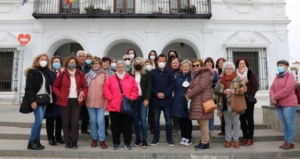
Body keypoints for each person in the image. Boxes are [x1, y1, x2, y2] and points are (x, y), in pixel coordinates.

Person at [52, 56, 88, 149]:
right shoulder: (62, 74)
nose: (71, 63)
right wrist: (59, 94)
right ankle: (67, 141)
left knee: (75, 122)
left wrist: (83, 96)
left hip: (76, 101)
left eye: (73, 62)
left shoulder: (80, 74)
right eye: (70, 62)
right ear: (67, 63)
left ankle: (74, 141)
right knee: (65, 122)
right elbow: (55, 86)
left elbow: (85, 87)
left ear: (76, 64)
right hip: (65, 101)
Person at [103, 60, 139, 150]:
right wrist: (110, 97)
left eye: (121, 67)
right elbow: (106, 89)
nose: (120, 68)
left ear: (125, 68)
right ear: (116, 68)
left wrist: (131, 98)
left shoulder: (131, 79)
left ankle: (127, 142)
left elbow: (135, 90)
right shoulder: (111, 78)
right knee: (115, 126)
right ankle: (116, 142)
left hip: (126, 106)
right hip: (114, 106)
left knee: (127, 125)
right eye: (118, 67)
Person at [214, 61, 247, 149]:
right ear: (224, 70)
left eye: (230, 68)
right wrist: (222, 91)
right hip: (224, 104)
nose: (228, 70)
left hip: (234, 104)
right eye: (226, 69)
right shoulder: (221, 79)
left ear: (233, 69)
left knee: (236, 123)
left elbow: (244, 88)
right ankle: (228, 140)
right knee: (227, 123)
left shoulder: (237, 78)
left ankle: (236, 140)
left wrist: (235, 91)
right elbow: (215, 90)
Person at [23, 53, 51, 150]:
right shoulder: (33, 72)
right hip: (36, 100)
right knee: (38, 120)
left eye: (46, 59)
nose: (44, 61)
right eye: (42, 59)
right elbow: (29, 88)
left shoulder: (45, 72)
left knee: (40, 121)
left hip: (44, 100)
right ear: (37, 61)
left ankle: (37, 141)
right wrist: (32, 101)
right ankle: (31, 141)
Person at [185, 58, 213, 150]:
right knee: (201, 121)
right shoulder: (196, 75)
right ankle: (203, 140)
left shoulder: (205, 73)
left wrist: (189, 93)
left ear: (201, 65)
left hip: (203, 101)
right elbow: (192, 86)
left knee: (203, 122)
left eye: (197, 65)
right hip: (198, 101)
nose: (195, 67)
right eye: (193, 65)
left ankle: (205, 142)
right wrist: (189, 90)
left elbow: (201, 86)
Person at [270, 60, 298, 150]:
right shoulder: (277, 77)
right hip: (279, 104)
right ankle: (286, 141)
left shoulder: (290, 76)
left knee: (289, 123)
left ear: (286, 66)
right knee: (284, 124)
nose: (279, 67)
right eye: (278, 65)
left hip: (289, 104)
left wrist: (275, 96)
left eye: (281, 65)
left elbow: (287, 89)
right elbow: (272, 88)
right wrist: (272, 96)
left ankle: (290, 142)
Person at [151, 54, 175, 146]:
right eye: (160, 61)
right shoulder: (153, 72)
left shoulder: (170, 71)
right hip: (156, 100)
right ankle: (156, 139)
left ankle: (169, 139)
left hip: (167, 100)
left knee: (168, 121)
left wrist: (165, 93)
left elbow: (172, 84)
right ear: (157, 61)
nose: (161, 62)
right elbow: (151, 85)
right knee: (156, 121)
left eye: (163, 61)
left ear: (166, 62)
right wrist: (156, 93)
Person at [85, 56, 108, 149]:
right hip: (90, 102)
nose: (95, 65)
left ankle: (102, 140)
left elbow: (107, 89)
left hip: (101, 102)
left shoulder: (104, 75)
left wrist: (107, 102)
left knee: (100, 121)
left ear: (100, 64)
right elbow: (84, 88)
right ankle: (94, 139)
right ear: (92, 65)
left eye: (97, 63)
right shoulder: (87, 75)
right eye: (94, 63)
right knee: (93, 121)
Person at [235, 58, 258, 146]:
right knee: (242, 119)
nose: (241, 65)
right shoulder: (235, 75)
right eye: (240, 63)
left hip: (248, 100)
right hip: (239, 100)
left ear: (246, 64)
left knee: (249, 119)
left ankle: (250, 138)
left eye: (243, 63)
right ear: (237, 65)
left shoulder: (250, 73)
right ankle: (245, 137)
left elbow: (255, 86)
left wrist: (249, 95)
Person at [131, 57, 152, 148]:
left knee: (143, 119)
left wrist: (147, 99)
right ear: (134, 64)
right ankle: (138, 139)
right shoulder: (130, 74)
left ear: (143, 64)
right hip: (133, 99)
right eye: (136, 62)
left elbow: (149, 87)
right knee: (135, 120)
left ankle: (144, 140)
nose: (138, 64)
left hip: (143, 99)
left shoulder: (147, 73)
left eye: (140, 62)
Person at [44, 55, 64, 146]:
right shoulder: (48, 73)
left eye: (58, 62)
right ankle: (51, 138)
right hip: (51, 100)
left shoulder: (63, 73)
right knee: (50, 121)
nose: (57, 63)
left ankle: (58, 137)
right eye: (55, 62)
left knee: (60, 120)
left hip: (61, 99)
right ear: (52, 63)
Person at [172, 60, 193, 146]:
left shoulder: (192, 76)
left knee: (187, 120)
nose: (184, 68)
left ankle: (188, 138)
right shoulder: (178, 75)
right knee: (180, 119)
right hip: (177, 99)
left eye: (186, 66)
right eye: (183, 66)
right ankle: (183, 137)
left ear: (190, 67)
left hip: (187, 100)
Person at [76, 50, 91, 135]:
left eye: (83, 56)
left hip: (87, 92)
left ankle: (84, 129)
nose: (82, 58)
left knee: (86, 111)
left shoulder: (90, 68)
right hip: (76, 92)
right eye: (80, 56)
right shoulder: (74, 67)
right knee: (76, 112)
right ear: (77, 58)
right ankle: (74, 129)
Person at [204, 57, 219, 138]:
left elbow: (217, 82)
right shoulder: (201, 71)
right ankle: (204, 131)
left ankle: (211, 130)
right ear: (205, 63)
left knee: (211, 113)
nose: (209, 63)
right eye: (207, 62)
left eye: (211, 62)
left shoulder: (214, 73)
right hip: (202, 96)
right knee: (203, 114)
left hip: (210, 95)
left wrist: (212, 84)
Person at [101, 57, 115, 136]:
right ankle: (101, 130)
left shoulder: (112, 73)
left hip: (109, 96)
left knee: (107, 115)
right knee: (101, 115)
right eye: (104, 62)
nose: (106, 64)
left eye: (107, 62)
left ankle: (106, 129)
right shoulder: (98, 71)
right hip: (99, 96)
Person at [215, 57, 227, 136]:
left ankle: (226, 129)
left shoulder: (227, 72)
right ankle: (222, 129)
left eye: (222, 62)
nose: (220, 64)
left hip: (225, 95)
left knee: (225, 113)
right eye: (219, 62)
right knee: (220, 113)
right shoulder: (215, 72)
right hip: (217, 95)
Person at [170, 57, 181, 135]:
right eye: (173, 63)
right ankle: (175, 127)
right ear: (170, 64)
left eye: (176, 63)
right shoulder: (168, 72)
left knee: (180, 111)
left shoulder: (181, 72)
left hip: (179, 94)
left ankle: (180, 127)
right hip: (170, 95)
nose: (175, 64)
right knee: (173, 112)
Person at [144, 59, 154, 134]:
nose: (148, 65)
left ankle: (152, 127)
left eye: (149, 64)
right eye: (146, 64)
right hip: (145, 95)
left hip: (153, 95)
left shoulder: (153, 72)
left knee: (152, 113)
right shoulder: (143, 73)